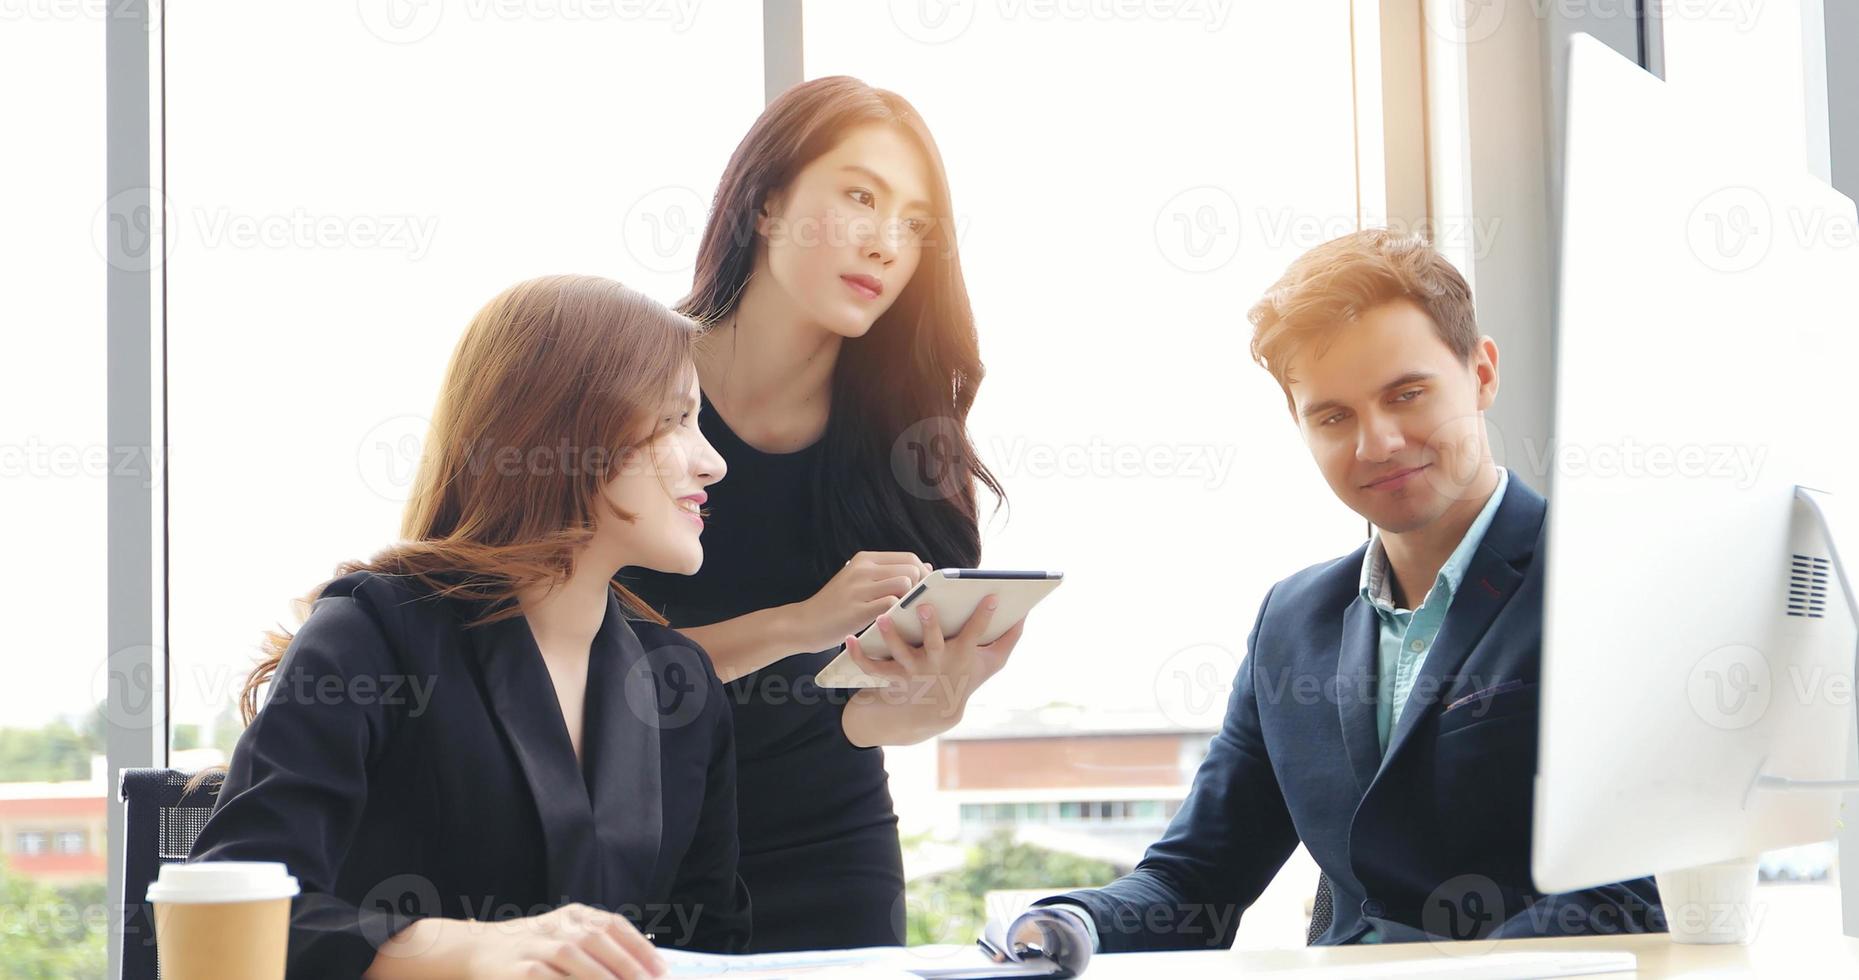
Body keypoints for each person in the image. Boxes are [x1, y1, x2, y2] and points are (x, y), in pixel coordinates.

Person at [1027, 230, 1666, 949]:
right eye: (1333, 416)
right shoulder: (1291, 621)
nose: (1376, 443)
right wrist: (1058, 926)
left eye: (1407, 394)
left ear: (1481, 373)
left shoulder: (1604, 582)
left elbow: (1622, 895)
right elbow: (1193, 882)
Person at [189, 275, 746, 979]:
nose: (713, 462)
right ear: (568, 429)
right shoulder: (371, 636)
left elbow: (711, 952)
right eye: (675, 419)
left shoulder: (679, 685)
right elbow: (232, 913)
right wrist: (463, 948)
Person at [618, 76, 1025, 952]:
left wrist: (929, 704)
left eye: (915, 225)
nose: (886, 243)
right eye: (859, 196)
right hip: (618, 839)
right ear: (766, 205)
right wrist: (796, 623)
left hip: (826, 851)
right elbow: (575, 669)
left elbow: (860, 714)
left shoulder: (910, 440)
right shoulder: (627, 378)